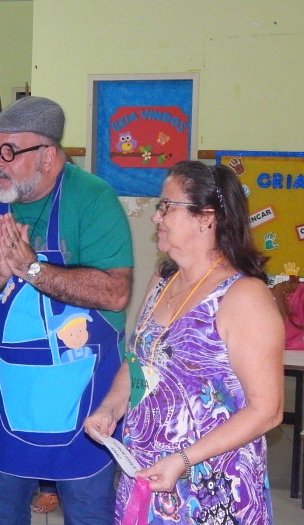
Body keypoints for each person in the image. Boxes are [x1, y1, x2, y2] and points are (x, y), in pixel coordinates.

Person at [0, 96, 133, 525]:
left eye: (10, 151)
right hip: (13, 392)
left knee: (89, 513)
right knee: (1, 511)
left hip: (86, 397)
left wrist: (32, 268)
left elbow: (115, 293)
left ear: (47, 155)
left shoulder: (93, 199)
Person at [85, 161, 284, 524]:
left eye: (166, 206)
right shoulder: (164, 280)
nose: (155, 217)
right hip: (147, 469)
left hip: (210, 485)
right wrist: (111, 408)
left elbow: (267, 409)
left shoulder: (244, 296)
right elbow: (139, 361)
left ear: (205, 217)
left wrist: (183, 460)